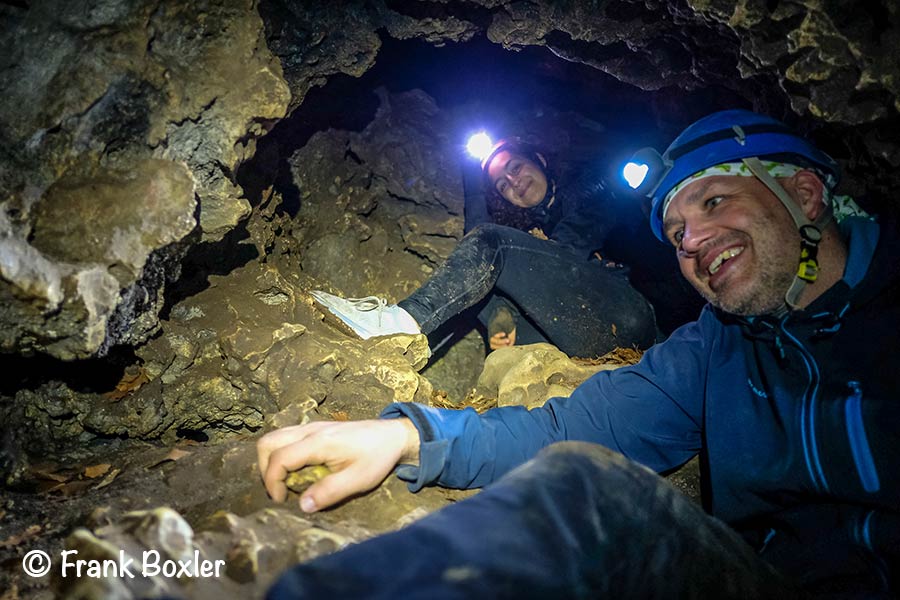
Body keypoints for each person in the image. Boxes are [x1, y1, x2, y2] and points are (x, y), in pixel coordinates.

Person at [258, 109, 897, 598]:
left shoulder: (588, 196)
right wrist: (408, 437)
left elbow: (562, 249)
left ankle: (399, 324)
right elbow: (569, 428)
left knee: (493, 248)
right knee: (584, 486)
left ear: (805, 195)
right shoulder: (714, 352)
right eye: (676, 232)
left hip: (618, 313)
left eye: (714, 200)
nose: (694, 239)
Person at [310, 138, 660, 358]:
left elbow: (571, 241)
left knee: (494, 244)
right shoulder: (530, 227)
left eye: (516, 168)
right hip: (581, 336)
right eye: (502, 185)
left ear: (539, 158)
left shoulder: (590, 187)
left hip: (630, 315)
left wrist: (518, 247)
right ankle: (400, 351)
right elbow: (477, 241)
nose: (514, 183)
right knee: (482, 285)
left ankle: (401, 320)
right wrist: (474, 182)